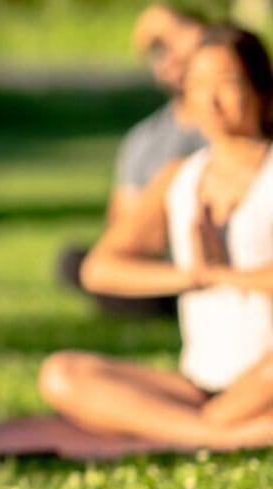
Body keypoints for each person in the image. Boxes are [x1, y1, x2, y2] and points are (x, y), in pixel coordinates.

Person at [40, 24, 273, 450]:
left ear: (261, 92)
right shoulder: (179, 177)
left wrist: (224, 275)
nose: (211, 99)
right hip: (200, 385)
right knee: (62, 373)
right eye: (198, 84)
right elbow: (100, 270)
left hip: (266, 378)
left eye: (227, 83)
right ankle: (221, 432)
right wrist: (192, 276)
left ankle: (209, 428)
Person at [57, 2, 207, 317]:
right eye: (159, 52)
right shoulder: (145, 139)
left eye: (177, 45)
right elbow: (120, 232)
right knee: (77, 262)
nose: (172, 60)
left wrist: (163, 18)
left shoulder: (234, 124)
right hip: (162, 266)